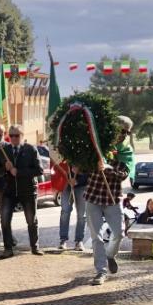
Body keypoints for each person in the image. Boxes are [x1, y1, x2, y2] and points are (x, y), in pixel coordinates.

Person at [83, 139, 131, 286]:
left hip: (113, 200)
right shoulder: (94, 152)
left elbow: (123, 175)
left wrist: (107, 168)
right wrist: (78, 168)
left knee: (119, 233)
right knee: (96, 237)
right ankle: (101, 271)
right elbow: (84, 169)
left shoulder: (125, 154)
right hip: (93, 198)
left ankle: (110, 255)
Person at [0, 125, 43, 258]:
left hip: (27, 190)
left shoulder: (30, 149)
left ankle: (35, 247)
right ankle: (8, 249)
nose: (14, 138)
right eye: (11, 136)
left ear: (22, 135)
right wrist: (4, 168)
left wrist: (19, 172)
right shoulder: (4, 150)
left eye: (16, 135)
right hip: (9, 191)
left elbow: (39, 170)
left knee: (31, 220)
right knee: (5, 220)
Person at [56, 161, 87, 251]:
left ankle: (79, 241)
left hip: (82, 186)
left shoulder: (87, 154)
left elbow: (91, 173)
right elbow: (60, 164)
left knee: (82, 215)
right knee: (65, 212)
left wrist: (78, 180)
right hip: (67, 184)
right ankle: (63, 240)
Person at [114, 116, 136, 186]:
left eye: (128, 132)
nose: (125, 135)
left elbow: (122, 175)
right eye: (122, 131)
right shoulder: (100, 144)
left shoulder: (127, 151)